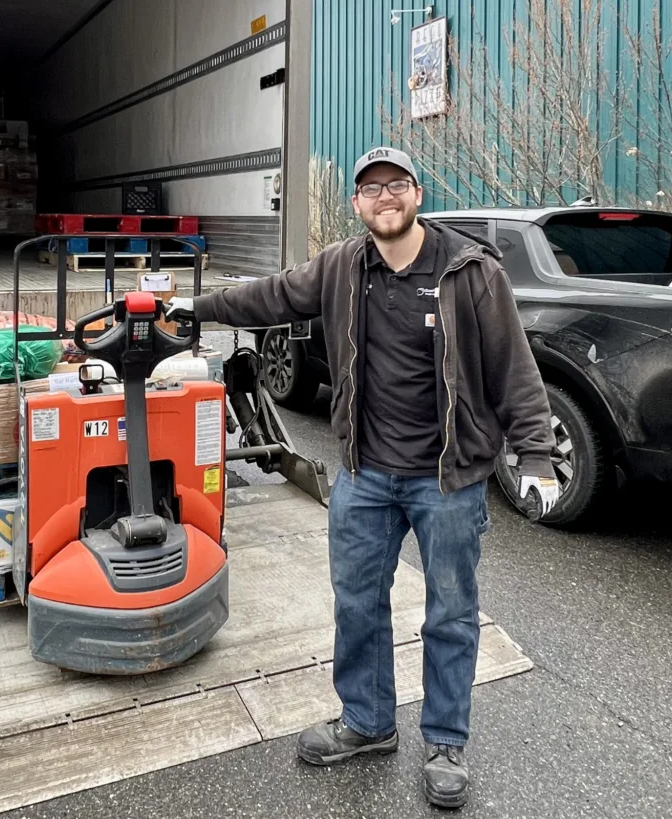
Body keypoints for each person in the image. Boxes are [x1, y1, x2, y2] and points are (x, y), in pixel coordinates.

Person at [165, 147, 559, 809]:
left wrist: (539, 454)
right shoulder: (343, 265)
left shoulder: (470, 271)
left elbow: (514, 369)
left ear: (416, 193)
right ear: (357, 203)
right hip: (366, 473)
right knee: (357, 605)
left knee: (452, 613)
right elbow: (269, 295)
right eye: (371, 188)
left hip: (448, 477)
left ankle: (444, 744)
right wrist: (197, 308)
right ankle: (369, 722)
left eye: (396, 185)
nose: (385, 197)